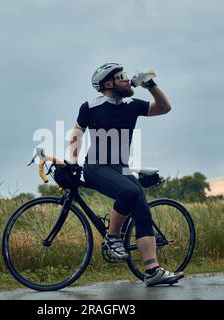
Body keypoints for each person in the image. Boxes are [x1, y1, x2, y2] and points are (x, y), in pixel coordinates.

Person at [68, 63, 184, 286]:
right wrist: (72, 162)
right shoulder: (90, 106)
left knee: (142, 209)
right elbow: (77, 132)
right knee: (130, 191)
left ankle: (152, 271)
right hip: (96, 167)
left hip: (121, 168)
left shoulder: (132, 104)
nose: (127, 79)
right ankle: (112, 238)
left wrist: (150, 85)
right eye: (121, 77)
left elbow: (164, 107)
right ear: (108, 84)